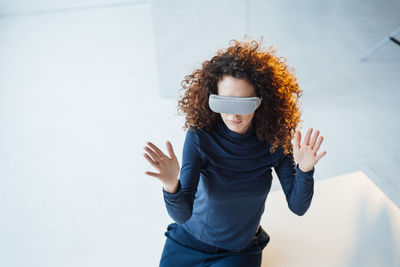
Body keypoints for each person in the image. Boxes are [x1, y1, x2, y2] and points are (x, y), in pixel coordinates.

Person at [143, 38, 327, 267]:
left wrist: (305, 170)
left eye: (243, 104)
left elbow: (298, 207)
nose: (233, 115)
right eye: (224, 103)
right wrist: (171, 185)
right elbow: (182, 215)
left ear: (261, 101)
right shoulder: (200, 137)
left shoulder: (275, 141)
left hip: (237, 251)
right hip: (188, 242)